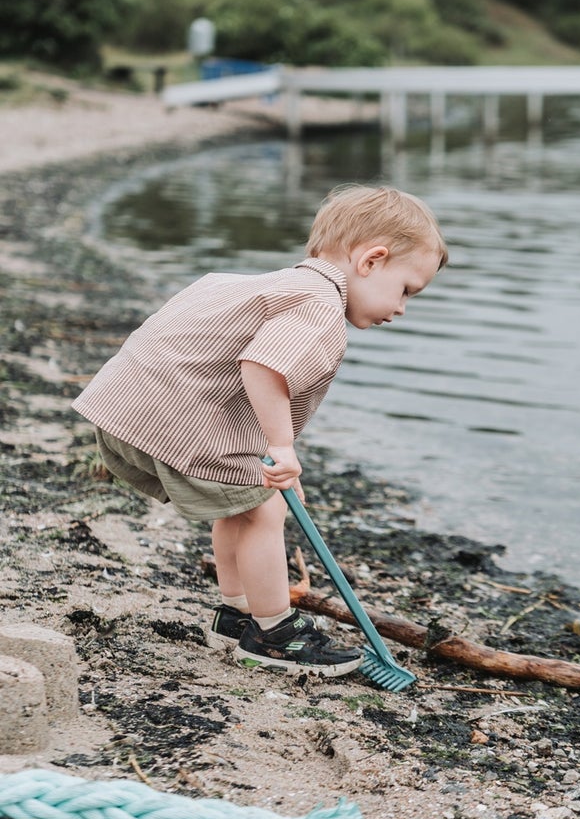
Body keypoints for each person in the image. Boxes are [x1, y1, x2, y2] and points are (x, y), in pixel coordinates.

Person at [72, 185, 448, 679]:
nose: (401, 309)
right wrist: (281, 447)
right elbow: (262, 368)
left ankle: (238, 614)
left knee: (245, 504)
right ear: (372, 260)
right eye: (405, 290)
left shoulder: (269, 284)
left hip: (128, 407)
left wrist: (270, 461)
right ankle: (275, 633)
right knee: (262, 512)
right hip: (176, 421)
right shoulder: (319, 306)